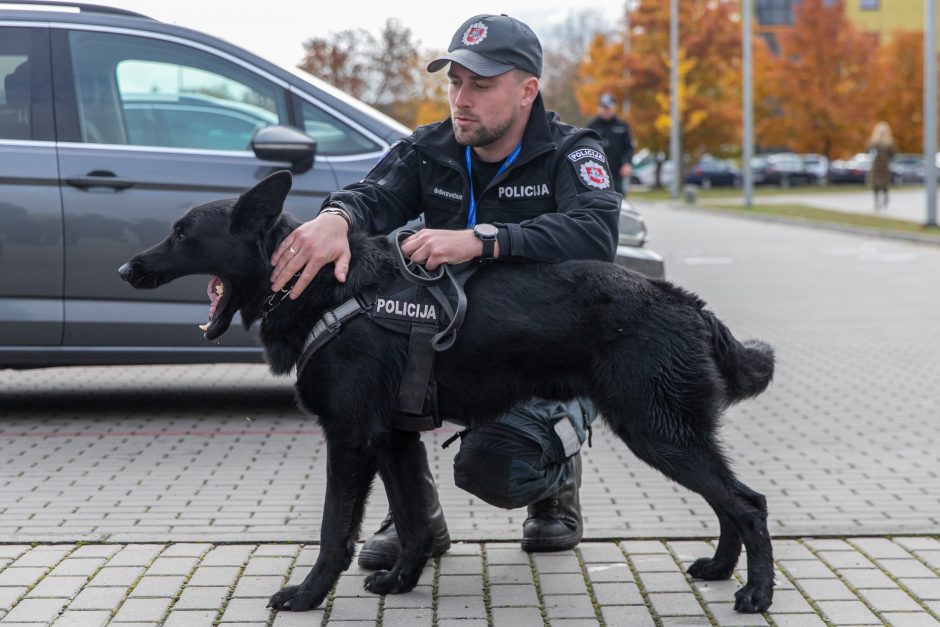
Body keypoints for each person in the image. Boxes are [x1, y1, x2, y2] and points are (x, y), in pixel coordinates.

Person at [269, 14, 620, 569]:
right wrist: (337, 217)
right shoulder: (431, 147)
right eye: (455, 82)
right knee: (371, 372)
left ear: (527, 90)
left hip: (544, 352)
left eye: (481, 85)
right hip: (456, 344)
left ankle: (556, 479)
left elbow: (596, 233)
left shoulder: (571, 151)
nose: (462, 98)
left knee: (497, 468)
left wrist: (482, 241)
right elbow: (370, 196)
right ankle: (416, 520)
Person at [587, 93, 636, 195]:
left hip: (616, 173)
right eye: (603, 107)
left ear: (614, 108)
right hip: (596, 174)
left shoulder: (622, 126)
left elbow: (629, 147)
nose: (606, 110)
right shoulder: (591, 126)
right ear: (599, 108)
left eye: (608, 107)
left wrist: (627, 163)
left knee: (618, 202)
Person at [867, 121, 896, 210]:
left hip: (884, 166)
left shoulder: (889, 142)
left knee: (884, 184)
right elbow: (868, 150)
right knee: (875, 184)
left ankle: (885, 199)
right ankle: (877, 201)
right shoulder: (874, 141)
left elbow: (893, 153)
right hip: (876, 165)